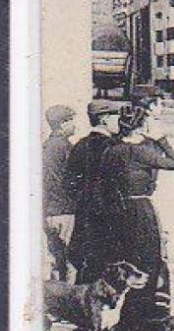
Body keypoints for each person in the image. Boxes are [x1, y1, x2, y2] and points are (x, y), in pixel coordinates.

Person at [93, 102, 174, 331]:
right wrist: (161, 139)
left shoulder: (111, 150)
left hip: (118, 212)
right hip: (141, 212)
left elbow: (102, 185)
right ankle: (144, 327)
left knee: (125, 265)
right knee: (147, 265)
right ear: (141, 126)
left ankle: (122, 328)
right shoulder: (142, 151)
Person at [64, 99, 121, 285]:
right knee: (106, 264)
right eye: (116, 116)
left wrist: (84, 198)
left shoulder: (80, 145)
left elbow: (69, 183)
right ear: (104, 119)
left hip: (85, 213)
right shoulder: (113, 147)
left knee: (85, 262)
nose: (119, 121)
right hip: (108, 215)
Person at [42, 104, 77, 281]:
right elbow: (75, 180)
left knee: (55, 258)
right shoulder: (66, 147)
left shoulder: (46, 146)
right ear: (63, 123)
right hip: (66, 210)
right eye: (72, 121)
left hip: (49, 211)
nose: (75, 125)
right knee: (68, 262)